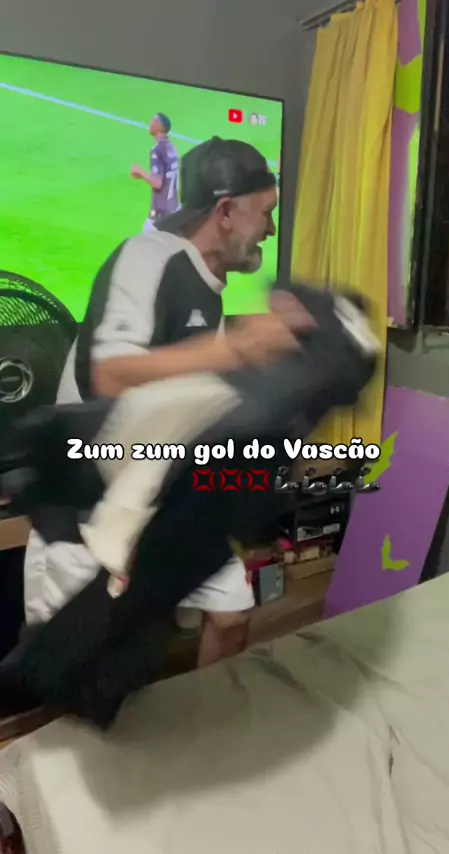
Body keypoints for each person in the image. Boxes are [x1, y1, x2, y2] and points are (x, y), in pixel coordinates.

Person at [23, 136, 315, 669]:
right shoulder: (148, 256)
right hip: (87, 505)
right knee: (72, 666)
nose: (271, 229)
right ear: (225, 212)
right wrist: (239, 347)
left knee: (231, 615)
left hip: (155, 490)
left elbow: (183, 395)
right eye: (266, 212)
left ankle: (202, 716)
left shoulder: (208, 286)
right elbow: (111, 374)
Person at [130, 112, 180, 233]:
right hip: (174, 209)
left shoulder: (157, 150)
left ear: (159, 127)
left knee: (144, 242)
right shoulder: (172, 148)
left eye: (153, 121)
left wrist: (140, 172)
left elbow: (157, 183)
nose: (150, 123)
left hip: (160, 213)